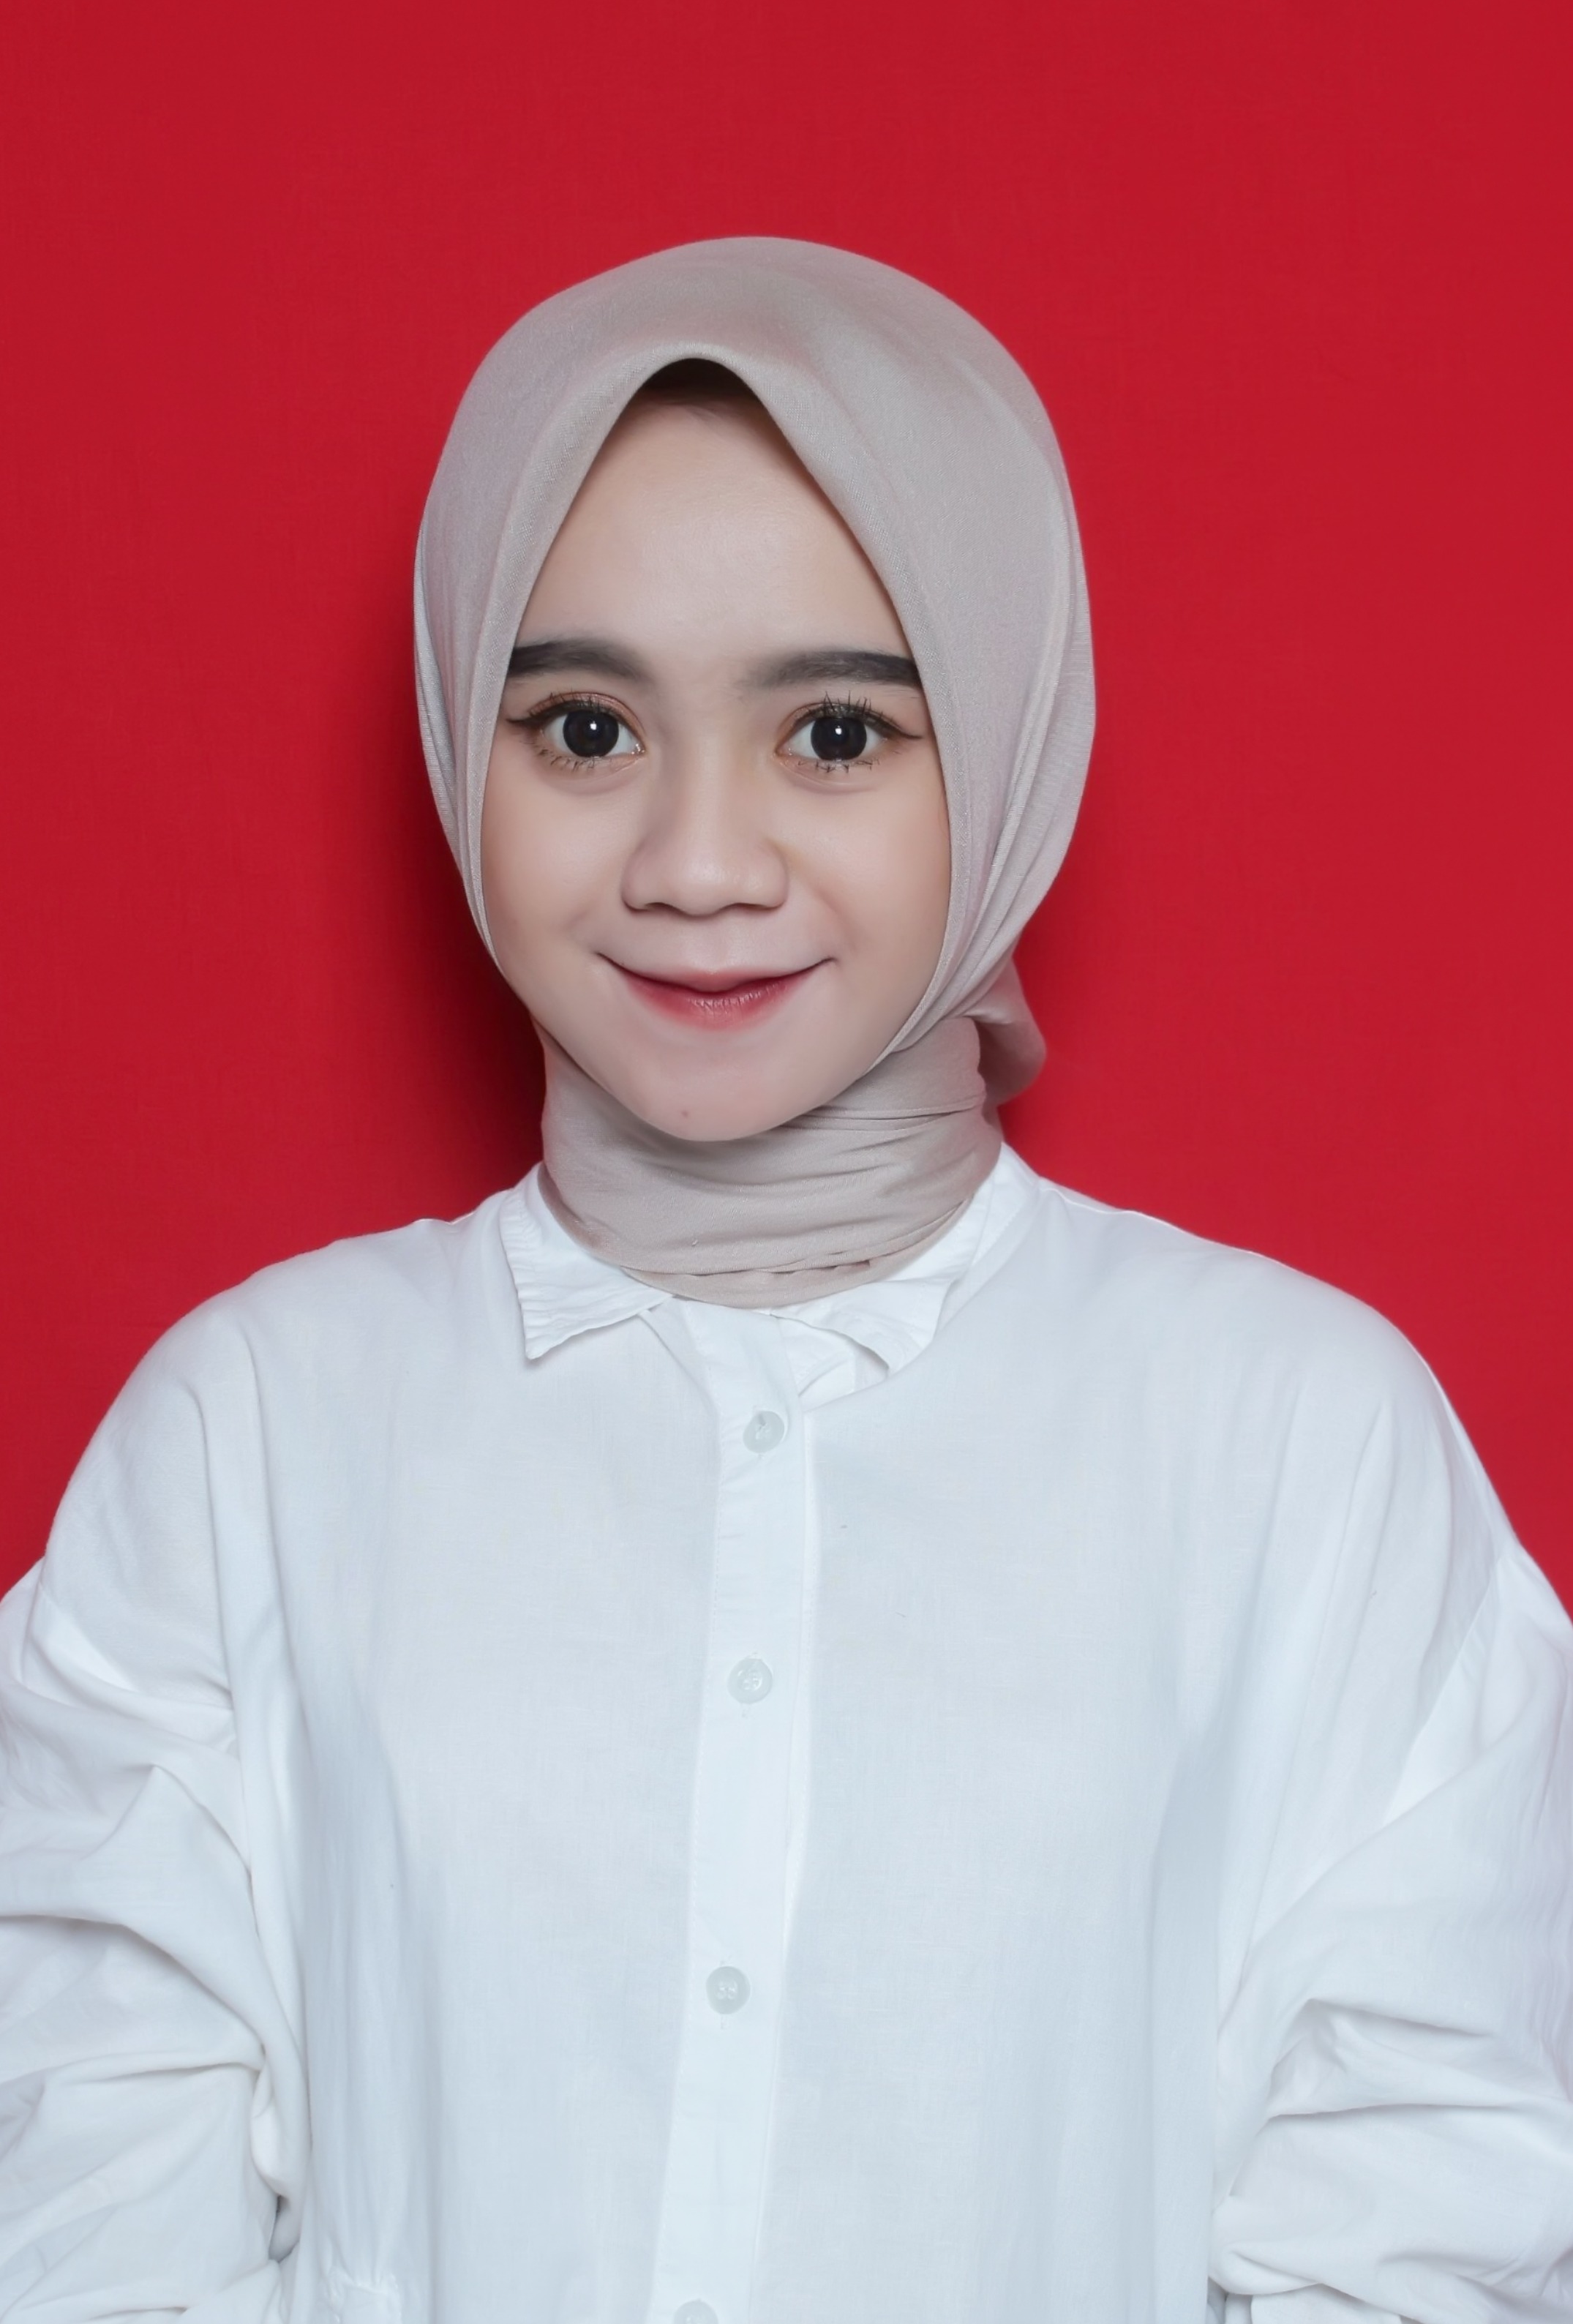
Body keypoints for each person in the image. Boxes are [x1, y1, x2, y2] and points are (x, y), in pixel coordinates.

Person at [1, 238, 1569, 2324]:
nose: (699, 863)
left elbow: (1442, 2197)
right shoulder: (249, 1436)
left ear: (1002, 742)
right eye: (584, 728)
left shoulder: (1296, 1442)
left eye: (835, 732)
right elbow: (80, 2198)